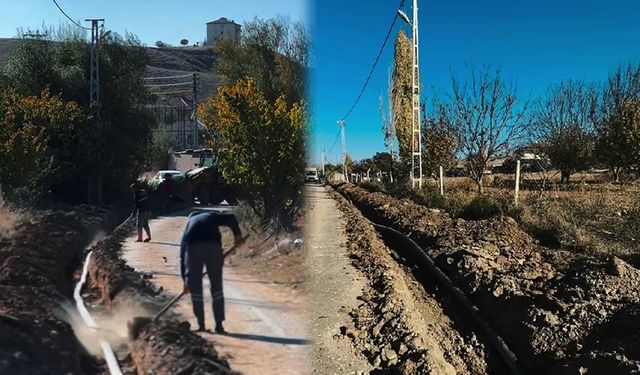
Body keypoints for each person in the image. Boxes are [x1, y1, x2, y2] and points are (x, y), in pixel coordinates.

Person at [180, 211, 244, 333]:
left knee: (195, 287)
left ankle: (201, 325)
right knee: (216, 285)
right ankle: (219, 325)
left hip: (193, 246)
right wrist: (238, 237)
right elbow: (231, 218)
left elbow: (183, 255)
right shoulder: (211, 217)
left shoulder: (189, 225)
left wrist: (186, 280)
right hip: (213, 246)